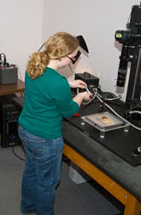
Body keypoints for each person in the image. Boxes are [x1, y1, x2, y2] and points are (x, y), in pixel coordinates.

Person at [18, 32, 93, 215]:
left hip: (25, 129)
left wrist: (69, 83)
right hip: (46, 139)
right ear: (63, 56)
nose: (74, 60)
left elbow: (44, 87)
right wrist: (81, 96)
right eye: (74, 57)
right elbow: (70, 111)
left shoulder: (33, 66)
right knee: (47, 183)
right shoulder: (57, 82)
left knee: (31, 171)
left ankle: (27, 207)